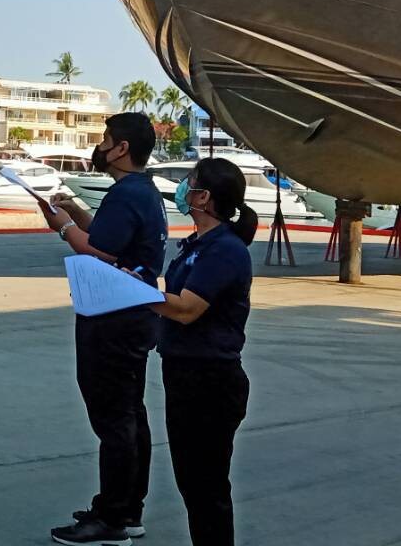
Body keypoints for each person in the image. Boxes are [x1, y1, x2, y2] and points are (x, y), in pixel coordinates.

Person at [41, 113, 168, 546]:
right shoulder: (140, 192)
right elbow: (111, 238)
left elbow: (99, 252)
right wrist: (77, 212)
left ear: (122, 149)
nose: (100, 147)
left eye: (105, 140)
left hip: (114, 318)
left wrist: (62, 228)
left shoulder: (128, 193)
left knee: (114, 417)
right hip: (134, 316)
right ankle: (127, 508)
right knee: (130, 413)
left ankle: (112, 519)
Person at [147, 158, 258, 545]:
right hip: (184, 375)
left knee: (206, 487)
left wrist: (138, 296)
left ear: (204, 197)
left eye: (189, 183)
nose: (183, 190)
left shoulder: (225, 250)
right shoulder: (197, 245)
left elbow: (188, 308)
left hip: (210, 381)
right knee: (193, 484)